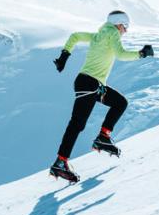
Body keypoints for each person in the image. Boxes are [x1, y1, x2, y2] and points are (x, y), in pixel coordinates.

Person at [49, 10, 153, 182]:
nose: (125, 31)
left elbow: (75, 36)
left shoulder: (98, 35)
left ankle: (103, 137)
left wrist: (64, 56)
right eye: (125, 26)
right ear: (118, 24)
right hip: (90, 84)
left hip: (92, 84)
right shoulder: (112, 33)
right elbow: (120, 54)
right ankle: (60, 162)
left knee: (119, 103)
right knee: (77, 124)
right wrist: (141, 54)